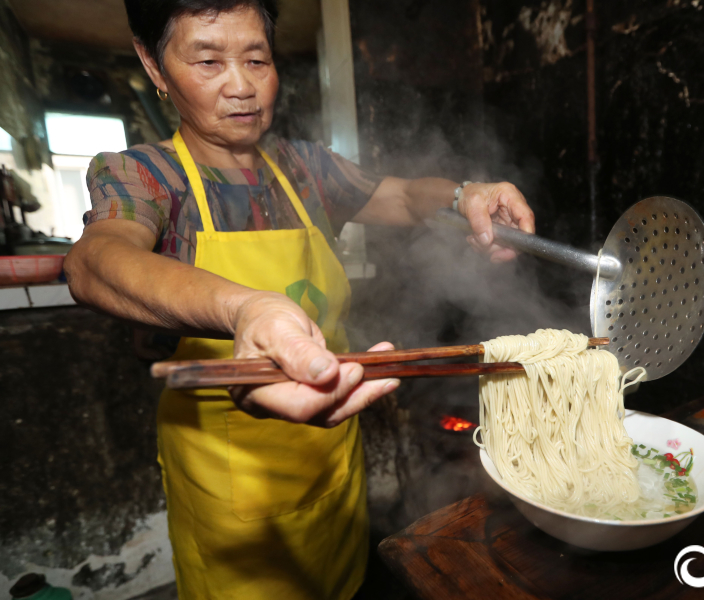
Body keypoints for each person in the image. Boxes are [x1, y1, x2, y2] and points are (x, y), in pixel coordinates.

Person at [64, 1, 535, 598]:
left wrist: (466, 194)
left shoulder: (305, 168)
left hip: (331, 460)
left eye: (256, 59)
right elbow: (94, 261)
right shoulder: (145, 176)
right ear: (154, 65)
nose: (241, 87)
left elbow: (405, 195)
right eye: (208, 62)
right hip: (228, 489)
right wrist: (247, 308)